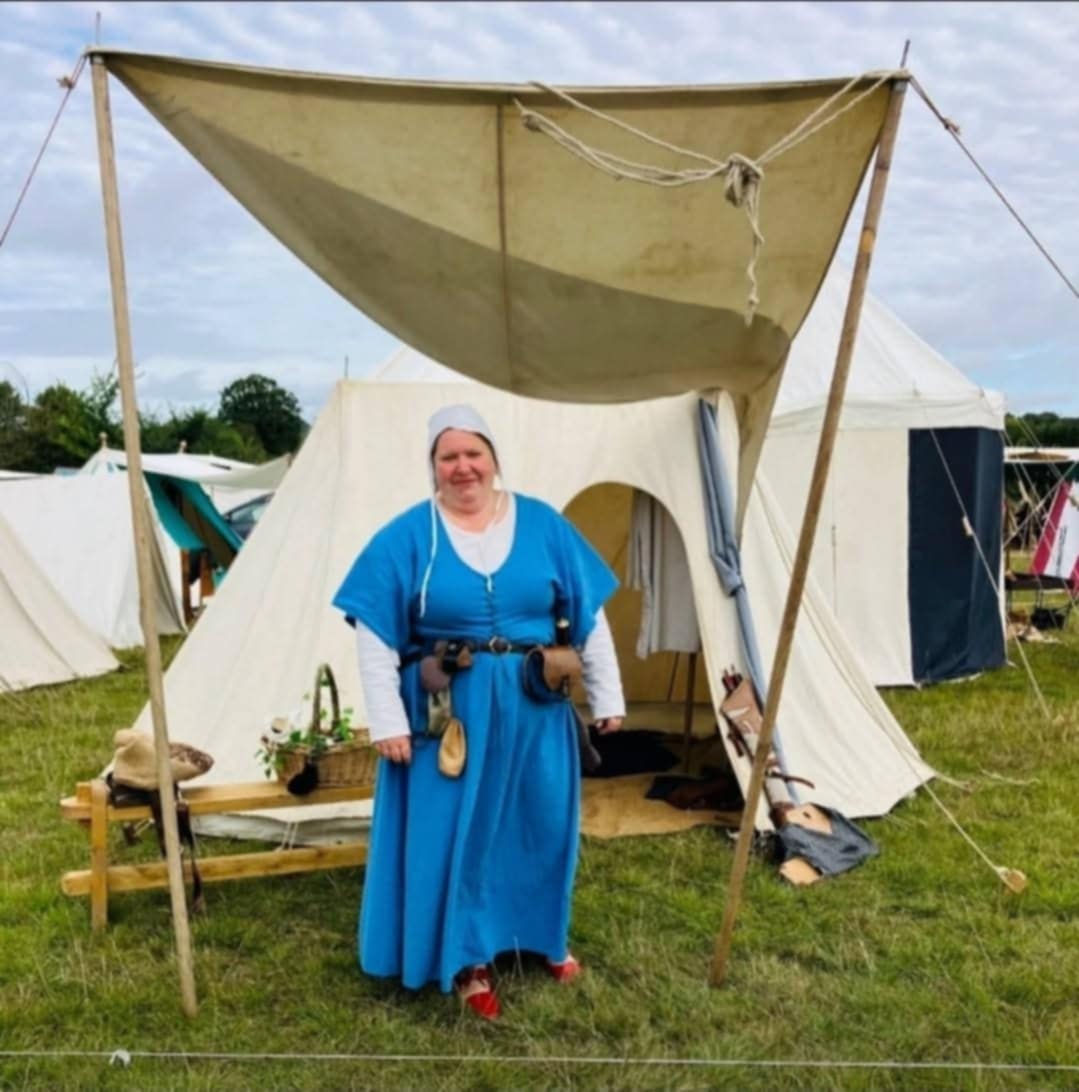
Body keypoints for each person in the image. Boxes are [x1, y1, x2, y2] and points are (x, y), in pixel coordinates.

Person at [332, 403, 625, 1020]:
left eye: (473, 453)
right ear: (433, 465)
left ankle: (543, 936)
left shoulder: (543, 524)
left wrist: (609, 698)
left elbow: (589, 620)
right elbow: (375, 635)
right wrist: (386, 719)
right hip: (450, 715)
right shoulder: (409, 536)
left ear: (493, 458)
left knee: (541, 825)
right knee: (460, 835)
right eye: (448, 456)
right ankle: (468, 961)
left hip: (536, 707)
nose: (462, 467)